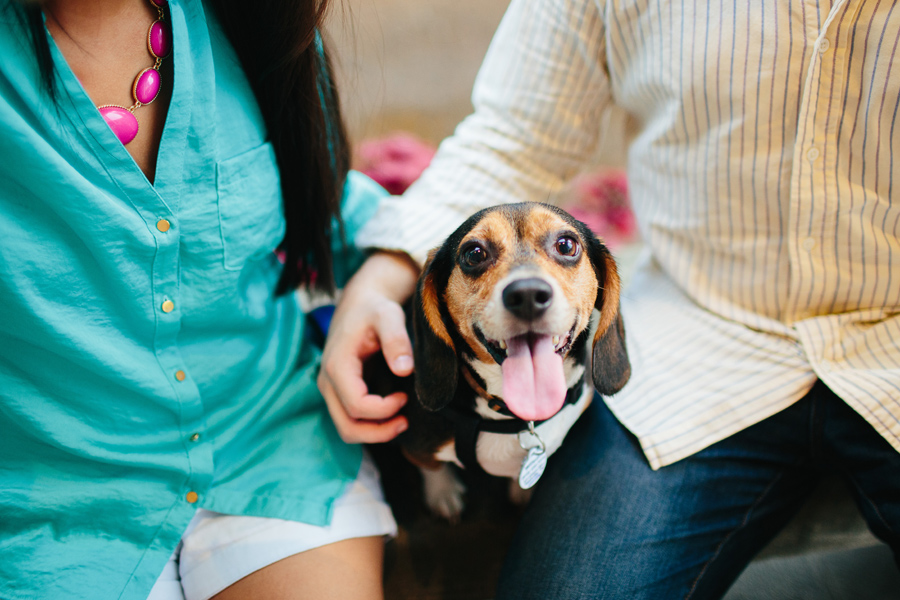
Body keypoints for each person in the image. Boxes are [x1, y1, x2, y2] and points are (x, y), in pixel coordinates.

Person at [318, 0, 900, 597]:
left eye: (566, 249)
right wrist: (377, 279)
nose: (529, 282)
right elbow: (511, 140)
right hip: (697, 343)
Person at [0, 0, 398, 598]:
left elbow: (338, 210)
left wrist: (377, 285)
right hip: (49, 504)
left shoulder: (254, 21)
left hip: (271, 444)